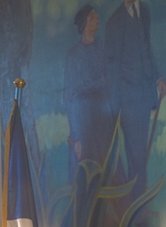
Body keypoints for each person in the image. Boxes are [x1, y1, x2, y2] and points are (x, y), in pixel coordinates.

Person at [105, 0, 166, 202]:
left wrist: (158, 78)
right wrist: (115, 106)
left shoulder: (144, 11)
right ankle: (137, 208)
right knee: (136, 153)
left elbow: (147, 48)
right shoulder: (115, 22)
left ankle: (138, 205)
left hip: (144, 95)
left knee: (139, 153)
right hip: (127, 99)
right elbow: (112, 66)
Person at [63, 5, 115, 178]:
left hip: (105, 119)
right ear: (84, 23)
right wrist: (76, 135)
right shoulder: (74, 56)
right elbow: (70, 97)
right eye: (92, 16)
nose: (97, 17)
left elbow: (112, 78)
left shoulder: (103, 47)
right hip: (85, 121)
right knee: (85, 170)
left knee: (107, 167)